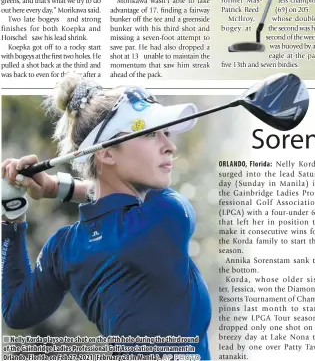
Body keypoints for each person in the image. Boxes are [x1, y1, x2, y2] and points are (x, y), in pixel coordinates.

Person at [1, 75, 212, 360]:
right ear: (108, 153)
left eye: (167, 134)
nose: (169, 146)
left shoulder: (64, 248)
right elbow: (122, 207)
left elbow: (16, 311)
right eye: (151, 133)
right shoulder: (168, 214)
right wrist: (58, 188)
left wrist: (12, 218)